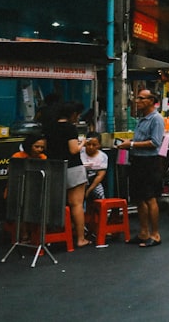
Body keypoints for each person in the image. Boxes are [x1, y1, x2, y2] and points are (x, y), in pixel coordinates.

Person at [118, 89, 165, 247]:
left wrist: (131, 144)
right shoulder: (142, 119)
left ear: (151, 101)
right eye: (137, 98)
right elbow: (141, 139)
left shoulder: (156, 119)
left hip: (149, 162)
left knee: (150, 197)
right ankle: (143, 232)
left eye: (141, 98)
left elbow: (155, 142)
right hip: (137, 160)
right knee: (139, 197)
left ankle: (155, 234)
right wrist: (130, 142)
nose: (137, 101)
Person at [44, 100, 92, 248]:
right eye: (77, 115)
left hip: (55, 168)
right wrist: (83, 143)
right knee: (76, 204)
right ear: (72, 115)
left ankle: (54, 235)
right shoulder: (70, 128)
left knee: (57, 202)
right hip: (73, 168)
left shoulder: (49, 127)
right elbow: (73, 150)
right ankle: (80, 238)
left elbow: (46, 148)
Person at [80, 132, 108, 201]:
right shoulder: (80, 152)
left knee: (100, 194)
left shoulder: (103, 157)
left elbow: (100, 176)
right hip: (80, 182)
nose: (91, 147)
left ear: (99, 145)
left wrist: (89, 190)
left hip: (94, 182)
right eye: (89, 144)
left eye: (94, 145)